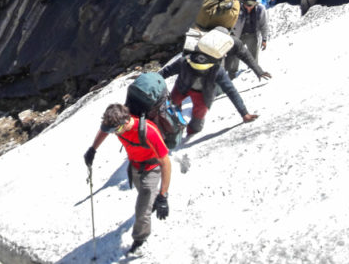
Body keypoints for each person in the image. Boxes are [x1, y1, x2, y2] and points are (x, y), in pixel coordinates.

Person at [84, 103, 172, 257]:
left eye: (115, 130)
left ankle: (140, 239)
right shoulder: (115, 125)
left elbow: (166, 163)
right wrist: (93, 149)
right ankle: (151, 202)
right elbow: (104, 130)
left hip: (151, 169)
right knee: (144, 199)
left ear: (126, 122)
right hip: (135, 167)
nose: (113, 133)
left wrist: (163, 195)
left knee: (142, 209)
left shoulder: (148, 132)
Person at [160, 30, 271, 135]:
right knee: (168, 112)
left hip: (198, 94)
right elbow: (165, 72)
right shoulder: (214, 69)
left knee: (195, 126)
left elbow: (231, 90)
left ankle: (183, 130)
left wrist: (244, 113)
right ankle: (170, 130)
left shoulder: (187, 61)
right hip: (186, 90)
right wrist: (244, 114)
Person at [225, 0, 269, 79]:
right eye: (246, 5)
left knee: (253, 56)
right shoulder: (236, 8)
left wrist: (264, 39)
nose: (248, 7)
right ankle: (232, 75)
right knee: (234, 56)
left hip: (253, 35)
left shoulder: (260, 9)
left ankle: (252, 74)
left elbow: (264, 25)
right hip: (238, 35)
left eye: (251, 5)